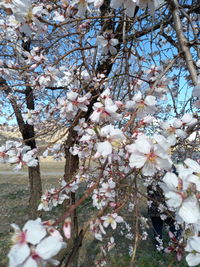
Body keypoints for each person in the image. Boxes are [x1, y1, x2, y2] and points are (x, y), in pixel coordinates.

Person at [147, 167, 181, 250]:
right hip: (166, 207)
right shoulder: (173, 171)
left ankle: (160, 247)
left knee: (159, 228)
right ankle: (174, 246)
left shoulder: (150, 171)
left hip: (157, 207)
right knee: (172, 226)